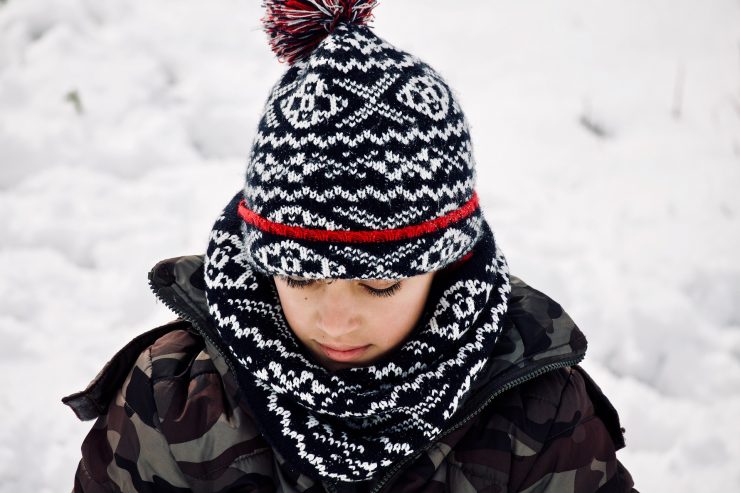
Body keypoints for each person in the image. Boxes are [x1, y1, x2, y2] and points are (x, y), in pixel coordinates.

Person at [63, 1, 637, 491]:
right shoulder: (175, 396)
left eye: (380, 282)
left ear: (448, 264)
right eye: (300, 277)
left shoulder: (538, 411)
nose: (336, 321)